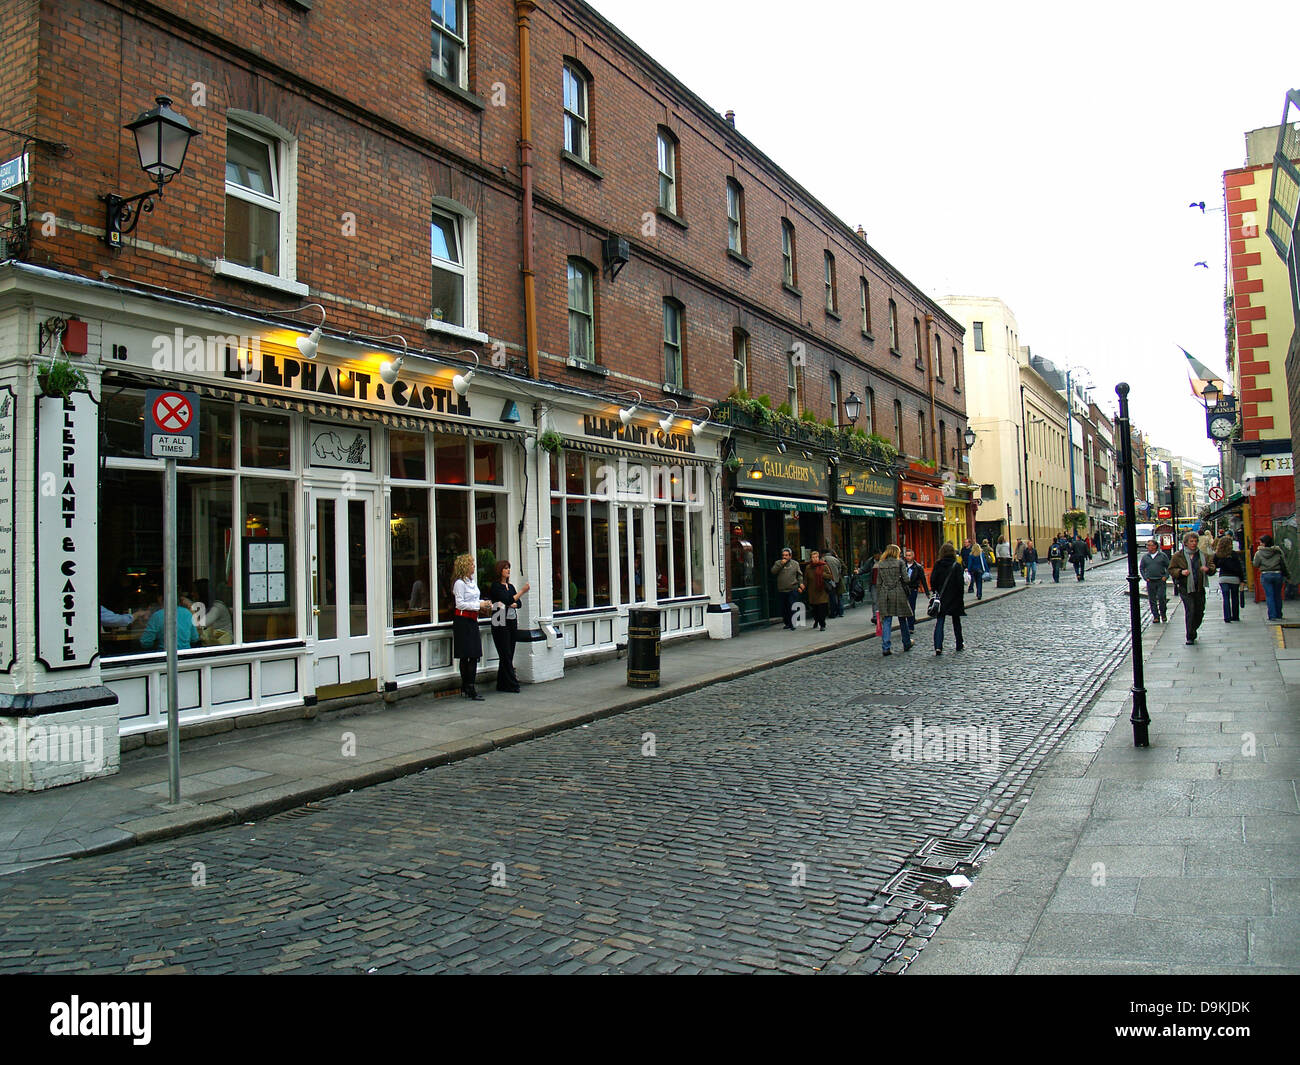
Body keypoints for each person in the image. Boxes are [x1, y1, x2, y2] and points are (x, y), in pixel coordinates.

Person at [451, 553, 490, 699]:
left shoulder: (472, 582)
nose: (474, 566)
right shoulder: (459, 583)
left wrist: (484, 604)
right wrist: (478, 605)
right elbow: (459, 604)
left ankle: (469, 685)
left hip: (473, 620)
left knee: (474, 654)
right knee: (466, 655)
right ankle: (468, 687)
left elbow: (475, 599)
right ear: (465, 566)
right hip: (462, 621)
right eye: (471, 564)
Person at [1168, 532, 1215, 645]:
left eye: (1195, 541)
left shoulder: (1203, 555)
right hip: (1185, 588)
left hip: (1199, 587)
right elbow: (1171, 569)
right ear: (1185, 543)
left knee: (1199, 611)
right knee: (1191, 610)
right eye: (1191, 541)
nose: (1194, 544)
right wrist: (1180, 572)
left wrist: (1208, 569)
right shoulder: (1178, 556)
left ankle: (1193, 628)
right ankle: (1190, 635)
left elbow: (1212, 567)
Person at [489, 560, 530, 692]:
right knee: (504, 652)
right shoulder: (496, 586)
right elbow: (507, 600)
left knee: (509, 651)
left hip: (511, 620)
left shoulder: (510, 586)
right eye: (505, 568)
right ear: (499, 570)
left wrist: (513, 601)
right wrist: (522, 591)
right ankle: (512, 683)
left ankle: (502, 683)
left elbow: (518, 603)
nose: (508, 571)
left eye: (509, 568)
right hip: (499, 619)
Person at [874, 545, 913, 655]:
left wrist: (878, 597)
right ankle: (906, 642)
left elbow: (878, 583)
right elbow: (906, 579)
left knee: (887, 620)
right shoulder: (900, 563)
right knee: (902, 618)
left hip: (885, 593)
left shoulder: (881, 564)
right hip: (898, 592)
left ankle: (886, 647)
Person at [929, 542, 966, 655]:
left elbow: (933, 581)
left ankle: (938, 646)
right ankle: (959, 644)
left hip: (942, 596)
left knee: (940, 621)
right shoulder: (957, 566)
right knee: (956, 621)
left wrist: (936, 592)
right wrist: (960, 597)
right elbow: (960, 584)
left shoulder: (938, 565)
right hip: (954, 597)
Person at [1252, 534, 1287, 622]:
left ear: (1264, 543)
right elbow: (1283, 562)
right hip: (1277, 574)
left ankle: (1272, 615)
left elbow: (1255, 564)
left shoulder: (1259, 553)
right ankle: (1279, 614)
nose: (1260, 543)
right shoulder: (1277, 551)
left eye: (1261, 542)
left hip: (1266, 574)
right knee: (1278, 595)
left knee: (1269, 596)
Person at [1138, 539, 1170, 624]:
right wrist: (1145, 577)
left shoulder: (1162, 556)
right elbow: (1141, 568)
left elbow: (1169, 566)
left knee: (1161, 597)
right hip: (1150, 581)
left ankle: (1163, 614)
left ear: (1155, 546)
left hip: (1160, 580)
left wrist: (1166, 576)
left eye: (1150, 545)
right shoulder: (1145, 557)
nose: (1148, 547)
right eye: (1147, 545)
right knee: (1152, 600)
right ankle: (1156, 616)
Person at [901, 548, 930, 641]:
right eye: (907, 555)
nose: (908, 557)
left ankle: (910, 626)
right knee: (904, 608)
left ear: (913, 556)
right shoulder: (902, 565)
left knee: (911, 607)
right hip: (903, 589)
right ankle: (907, 624)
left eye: (909, 555)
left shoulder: (918, 567)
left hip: (913, 589)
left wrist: (927, 592)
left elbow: (923, 580)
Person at [771, 547, 802, 630]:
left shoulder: (795, 564)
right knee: (784, 608)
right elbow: (773, 571)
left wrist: (801, 583)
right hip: (782, 589)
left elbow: (799, 575)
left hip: (792, 588)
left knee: (792, 606)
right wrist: (781, 563)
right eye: (783, 555)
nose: (784, 557)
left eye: (786, 555)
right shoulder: (778, 563)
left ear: (790, 556)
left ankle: (793, 623)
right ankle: (787, 623)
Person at [1214, 536, 1244, 624]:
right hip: (1234, 578)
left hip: (1223, 578)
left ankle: (1227, 617)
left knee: (1225, 598)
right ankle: (1235, 616)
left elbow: (1215, 565)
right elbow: (1239, 568)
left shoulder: (1218, 554)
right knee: (1235, 597)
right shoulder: (1234, 554)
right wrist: (1242, 579)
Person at [804, 550, 829, 631]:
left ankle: (822, 624)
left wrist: (823, 575)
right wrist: (803, 587)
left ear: (819, 557)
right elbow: (806, 579)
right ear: (811, 558)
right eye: (813, 557)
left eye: (816, 557)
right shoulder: (808, 567)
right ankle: (816, 620)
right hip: (812, 591)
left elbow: (830, 576)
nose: (815, 559)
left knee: (822, 609)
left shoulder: (824, 566)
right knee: (814, 609)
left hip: (822, 591)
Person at [823, 547, 844, 619]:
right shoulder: (836, 560)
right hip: (837, 580)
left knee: (832, 598)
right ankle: (840, 612)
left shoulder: (823, 560)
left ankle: (833, 612)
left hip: (828, 581)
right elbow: (841, 568)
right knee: (838, 596)